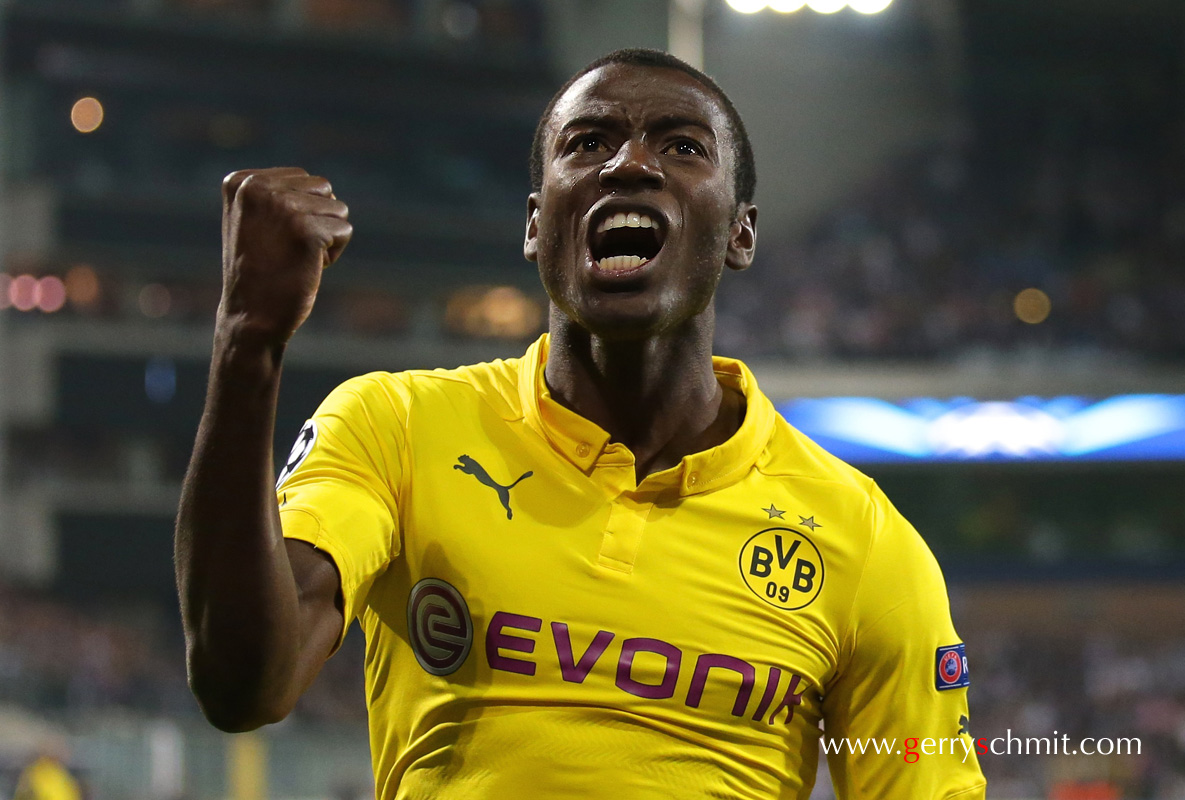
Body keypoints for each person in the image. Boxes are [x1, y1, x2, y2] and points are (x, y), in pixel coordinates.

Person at [176, 48, 986, 799]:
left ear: (740, 234)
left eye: (682, 147)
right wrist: (247, 343)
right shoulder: (399, 427)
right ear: (536, 227)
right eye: (588, 143)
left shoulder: (865, 544)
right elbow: (246, 683)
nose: (629, 164)